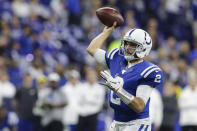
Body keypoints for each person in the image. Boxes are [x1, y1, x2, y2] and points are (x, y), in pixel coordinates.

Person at [86, 22, 163, 131]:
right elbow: (91, 49)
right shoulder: (116, 58)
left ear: (143, 48)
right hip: (116, 122)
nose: (127, 47)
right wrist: (106, 32)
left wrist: (118, 90)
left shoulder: (148, 71)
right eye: (126, 43)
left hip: (136, 124)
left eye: (132, 45)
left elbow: (139, 106)